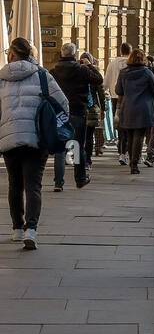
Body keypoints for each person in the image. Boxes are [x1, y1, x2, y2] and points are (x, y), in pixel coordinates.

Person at [0, 37, 70, 250]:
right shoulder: (41, 76)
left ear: (12, 54)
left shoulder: (1, 78)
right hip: (37, 139)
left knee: (15, 184)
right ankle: (31, 229)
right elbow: (63, 103)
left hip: (9, 138)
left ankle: (17, 229)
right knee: (33, 185)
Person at [50, 42, 103, 191]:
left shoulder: (53, 71)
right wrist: (90, 65)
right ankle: (79, 178)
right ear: (74, 54)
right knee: (77, 145)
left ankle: (58, 182)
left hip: (59, 113)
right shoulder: (82, 70)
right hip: (78, 111)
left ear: (62, 54)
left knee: (60, 146)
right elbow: (98, 79)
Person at [115, 50, 154, 176]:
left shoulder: (123, 72)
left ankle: (132, 162)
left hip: (128, 107)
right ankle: (134, 164)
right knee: (139, 136)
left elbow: (118, 90)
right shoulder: (147, 72)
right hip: (144, 108)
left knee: (129, 136)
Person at [104, 41, 132, 164]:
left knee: (120, 125)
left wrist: (104, 92)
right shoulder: (132, 63)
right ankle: (127, 151)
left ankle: (121, 151)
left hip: (116, 97)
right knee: (130, 125)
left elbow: (105, 82)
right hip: (130, 98)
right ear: (130, 51)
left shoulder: (112, 63)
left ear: (120, 51)